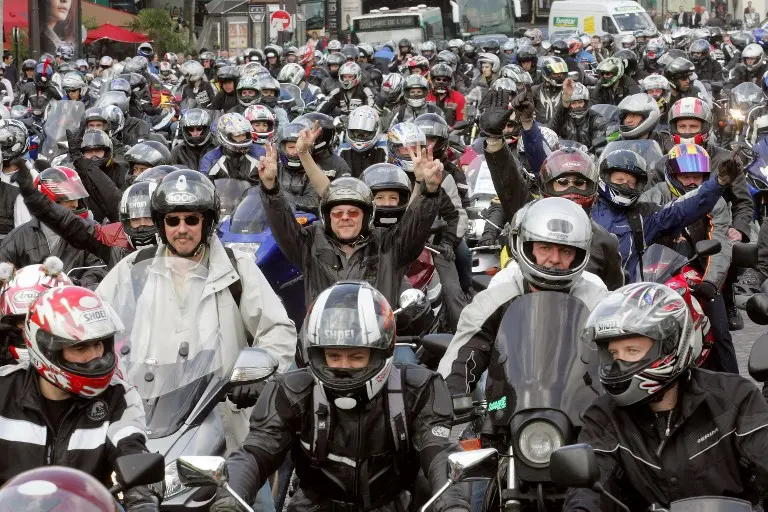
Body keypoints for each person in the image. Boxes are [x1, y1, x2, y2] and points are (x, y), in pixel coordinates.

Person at [210, 281, 470, 512]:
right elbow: (255, 452)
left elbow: (439, 453)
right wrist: (229, 499)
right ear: (317, 354)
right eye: (334, 356)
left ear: (381, 352)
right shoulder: (293, 391)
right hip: (314, 506)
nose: (343, 366)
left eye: (356, 357)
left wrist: (454, 504)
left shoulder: (415, 389)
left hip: (390, 505)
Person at [96, 170, 297, 463]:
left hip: (220, 417)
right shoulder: (134, 269)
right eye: (172, 220)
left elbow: (277, 328)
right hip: (148, 418)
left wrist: (259, 373)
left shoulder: (237, 268)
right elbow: (98, 321)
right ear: (161, 223)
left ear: (208, 222)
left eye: (191, 220)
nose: (182, 229)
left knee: (247, 488)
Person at [563, 282, 768, 512]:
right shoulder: (603, 417)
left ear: (669, 345)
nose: (619, 364)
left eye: (632, 351)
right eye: (613, 354)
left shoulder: (735, 398)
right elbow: (590, 485)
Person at [0, 284, 160, 510]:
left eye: (98, 344)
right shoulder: (4, 390)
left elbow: (130, 447)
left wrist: (143, 500)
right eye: (80, 348)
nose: (95, 356)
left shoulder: (119, 396)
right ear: (46, 349)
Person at [437, 197, 610, 397]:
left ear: (579, 254)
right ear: (526, 247)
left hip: (580, 408)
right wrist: (449, 398)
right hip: (506, 406)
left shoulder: (598, 303)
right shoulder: (497, 297)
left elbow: (623, 357)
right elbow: (463, 354)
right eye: (545, 248)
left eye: (566, 251)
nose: (554, 259)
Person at [258, 123, 444, 308]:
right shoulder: (310, 245)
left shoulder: (389, 246)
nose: (345, 217)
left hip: (377, 327)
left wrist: (429, 190)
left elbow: (415, 224)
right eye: (337, 213)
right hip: (322, 328)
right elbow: (283, 226)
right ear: (327, 217)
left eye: (353, 212)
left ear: (367, 216)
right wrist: (270, 188)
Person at [0, 166, 107, 289]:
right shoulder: (18, 238)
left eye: (77, 198)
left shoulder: (92, 233)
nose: (76, 204)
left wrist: (71, 285)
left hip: (73, 299)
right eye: (69, 198)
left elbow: (100, 270)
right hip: (29, 300)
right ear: (49, 200)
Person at [551, 79, 608, 152]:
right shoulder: (563, 117)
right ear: (569, 105)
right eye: (573, 103)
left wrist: (592, 153)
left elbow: (599, 148)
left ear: (585, 103)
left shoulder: (596, 119)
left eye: (580, 102)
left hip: (588, 157)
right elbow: (551, 130)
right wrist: (564, 102)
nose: (577, 106)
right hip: (566, 156)